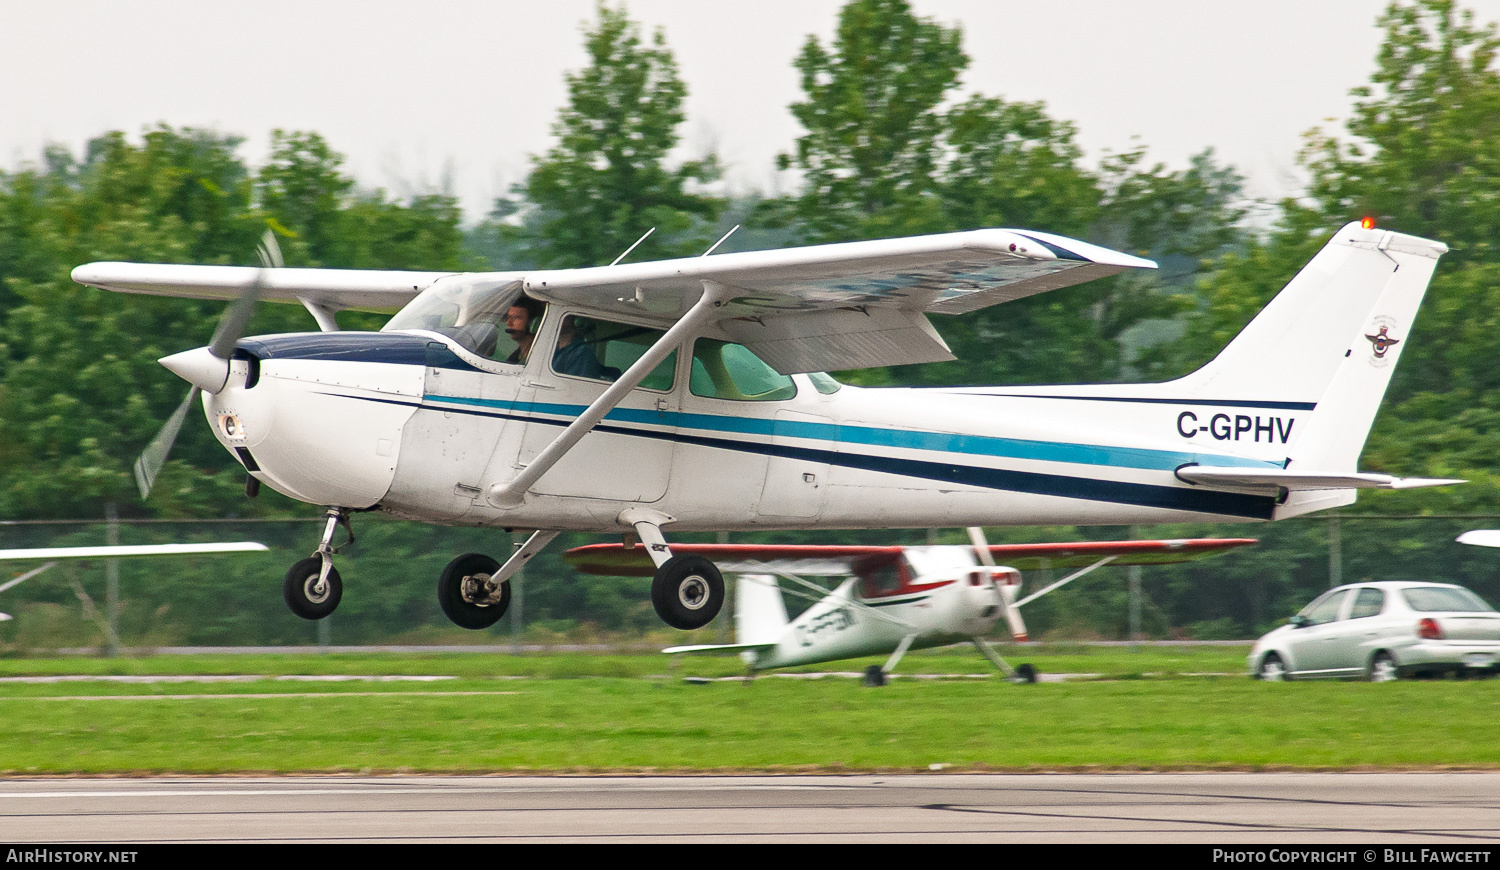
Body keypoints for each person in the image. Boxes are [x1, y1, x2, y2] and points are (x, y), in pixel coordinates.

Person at [552, 316, 620, 381]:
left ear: (575, 326)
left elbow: (575, 385)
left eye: (569, 318)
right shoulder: (552, 350)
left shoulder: (583, 354)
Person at [504, 300, 543, 364]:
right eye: (508, 317)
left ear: (533, 322)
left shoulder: (541, 356)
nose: (508, 323)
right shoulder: (513, 358)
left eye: (516, 317)